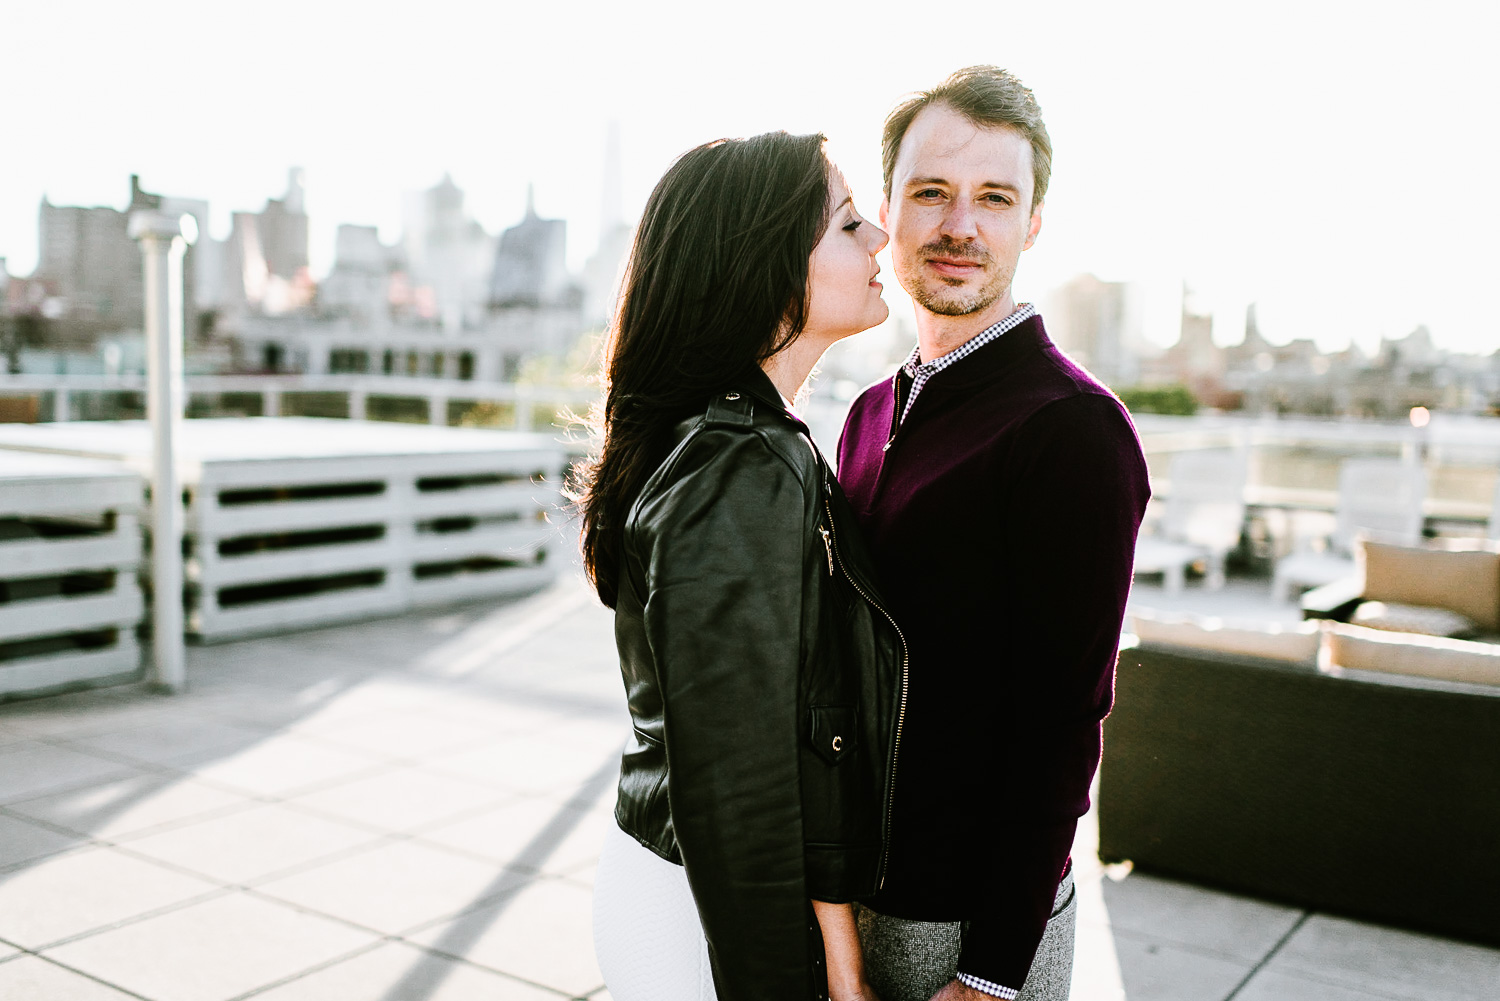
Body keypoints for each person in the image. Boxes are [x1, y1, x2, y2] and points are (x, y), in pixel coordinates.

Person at [836, 67, 1151, 1001]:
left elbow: (1064, 721)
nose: (959, 226)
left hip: (967, 922)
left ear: (1032, 223)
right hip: (856, 890)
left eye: (994, 198)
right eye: (931, 192)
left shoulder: (1072, 428)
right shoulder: (864, 413)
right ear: (887, 212)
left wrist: (992, 971)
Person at [579, 131, 906, 1001]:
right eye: (846, 224)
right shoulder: (740, 467)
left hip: (694, 901)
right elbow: (739, 790)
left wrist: (839, 952)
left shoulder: (748, 443)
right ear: (768, 263)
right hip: (703, 922)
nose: (880, 239)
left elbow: (795, 737)